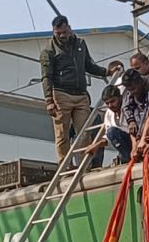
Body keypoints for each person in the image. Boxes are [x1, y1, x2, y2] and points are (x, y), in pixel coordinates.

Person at [40, 15, 110, 163]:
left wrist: (106, 72)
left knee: (85, 131)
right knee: (62, 134)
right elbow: (46, 76)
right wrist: (49, 100)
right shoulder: (49, 50)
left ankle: (85, 163)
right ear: (54, 31)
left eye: (64, 32)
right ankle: (64, 164)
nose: (62, 36)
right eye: (58, 33)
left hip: (81, 94)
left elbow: (89, 66)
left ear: (69, 29)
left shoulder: (80, 44)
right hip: (61, 94)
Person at [85, 85, 133, 164]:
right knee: (111, 132)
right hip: (125, 147)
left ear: (120, 98)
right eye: (107, 103)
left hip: (137, 141)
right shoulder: (108, 113)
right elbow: (109, 137)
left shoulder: (129, 107)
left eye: (113, 101)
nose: (110, 105)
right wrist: (97, 145)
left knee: (112, 131)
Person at [121, 69, 149, 143]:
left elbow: (148, 109)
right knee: (135, 112)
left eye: (133, 89)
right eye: (129, 89)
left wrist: (140, 135)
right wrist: (131, 121)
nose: (132, 92)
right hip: (140, 111)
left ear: (140, 83)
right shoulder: (130, 89)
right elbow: (126, 106)